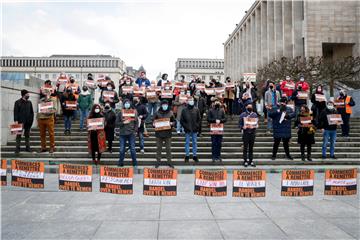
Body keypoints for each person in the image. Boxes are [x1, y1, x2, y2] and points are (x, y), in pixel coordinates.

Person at [153, 100, 176, 168]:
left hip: (168, 134)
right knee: (158, 148)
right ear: (161, 105)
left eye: (166, 104)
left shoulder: (171, 113)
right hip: (159, 134)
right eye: (163, 104)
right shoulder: (157, 113)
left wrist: (172, 123)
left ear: (168, 105)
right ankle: (158, 161)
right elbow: (153, 121)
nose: (164, 106)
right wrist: (153, 124)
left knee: (168, 149)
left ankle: (169, 162)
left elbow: (174, 121)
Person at [116, 99, 138, 167]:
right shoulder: (120, 113)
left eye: (128, 103)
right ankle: (120, 163)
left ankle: (135, 163)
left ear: (130, 104)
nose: (127, 105)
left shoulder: (134, 112)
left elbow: (136, 122)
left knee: (132, 149)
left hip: (131, 133)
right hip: (122, 134)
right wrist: (123, 123)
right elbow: (116, 123)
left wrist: (135, 131)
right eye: (126, 103)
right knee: (122, 149)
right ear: (124, 105)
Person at [180, 97, 201, 163]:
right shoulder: (184, 110)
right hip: (187, 129)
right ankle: (187, 156)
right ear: (187, 101)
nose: (191, 101)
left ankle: (195, 156)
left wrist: (197, 126)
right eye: (190, 100)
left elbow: (199, 119)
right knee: (187, 143)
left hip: (194, 129)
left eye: (192, 100)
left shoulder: (196, 110)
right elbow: (181, 120)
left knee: (195, 142)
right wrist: (185, 127)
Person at [13, 89, 34, 154]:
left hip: (28, 122)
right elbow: (15, 112)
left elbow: (32, 112)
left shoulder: (29, 102)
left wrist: (31, 120)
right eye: (27, 94)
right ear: (24, 94)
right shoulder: (17, 102)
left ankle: (27, 147)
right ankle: (17, 148)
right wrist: (16, 120)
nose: (29, 95)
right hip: (20, 121)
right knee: (18, 135)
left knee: (27, 135)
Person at [239, 102, 258, 167]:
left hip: (252, 133)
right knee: (245, 148)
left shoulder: (255, 114)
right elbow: (239, 124)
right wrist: (242, 127)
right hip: (246, 133)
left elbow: (256, 123)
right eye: (249, 107)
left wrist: (256, 125)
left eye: (251, 106)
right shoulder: (242, 114)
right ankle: (245, 161)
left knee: (251, 148)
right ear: (246, 107)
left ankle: (251, 160)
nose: (250, 108)